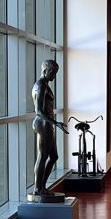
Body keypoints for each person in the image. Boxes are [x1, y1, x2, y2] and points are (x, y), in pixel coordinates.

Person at [31, 59, 67, 196]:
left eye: (55, 73)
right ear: (45, 70)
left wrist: (53, 123)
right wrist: (56, 123)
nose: (54, 76)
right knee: (43, 156)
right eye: (52, 72)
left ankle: (42, 186)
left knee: (54, 156)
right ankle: (38, 189)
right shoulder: (41, 86)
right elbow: (39, 111)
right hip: (43, 123)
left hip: (47, 124)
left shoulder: (44, 85)